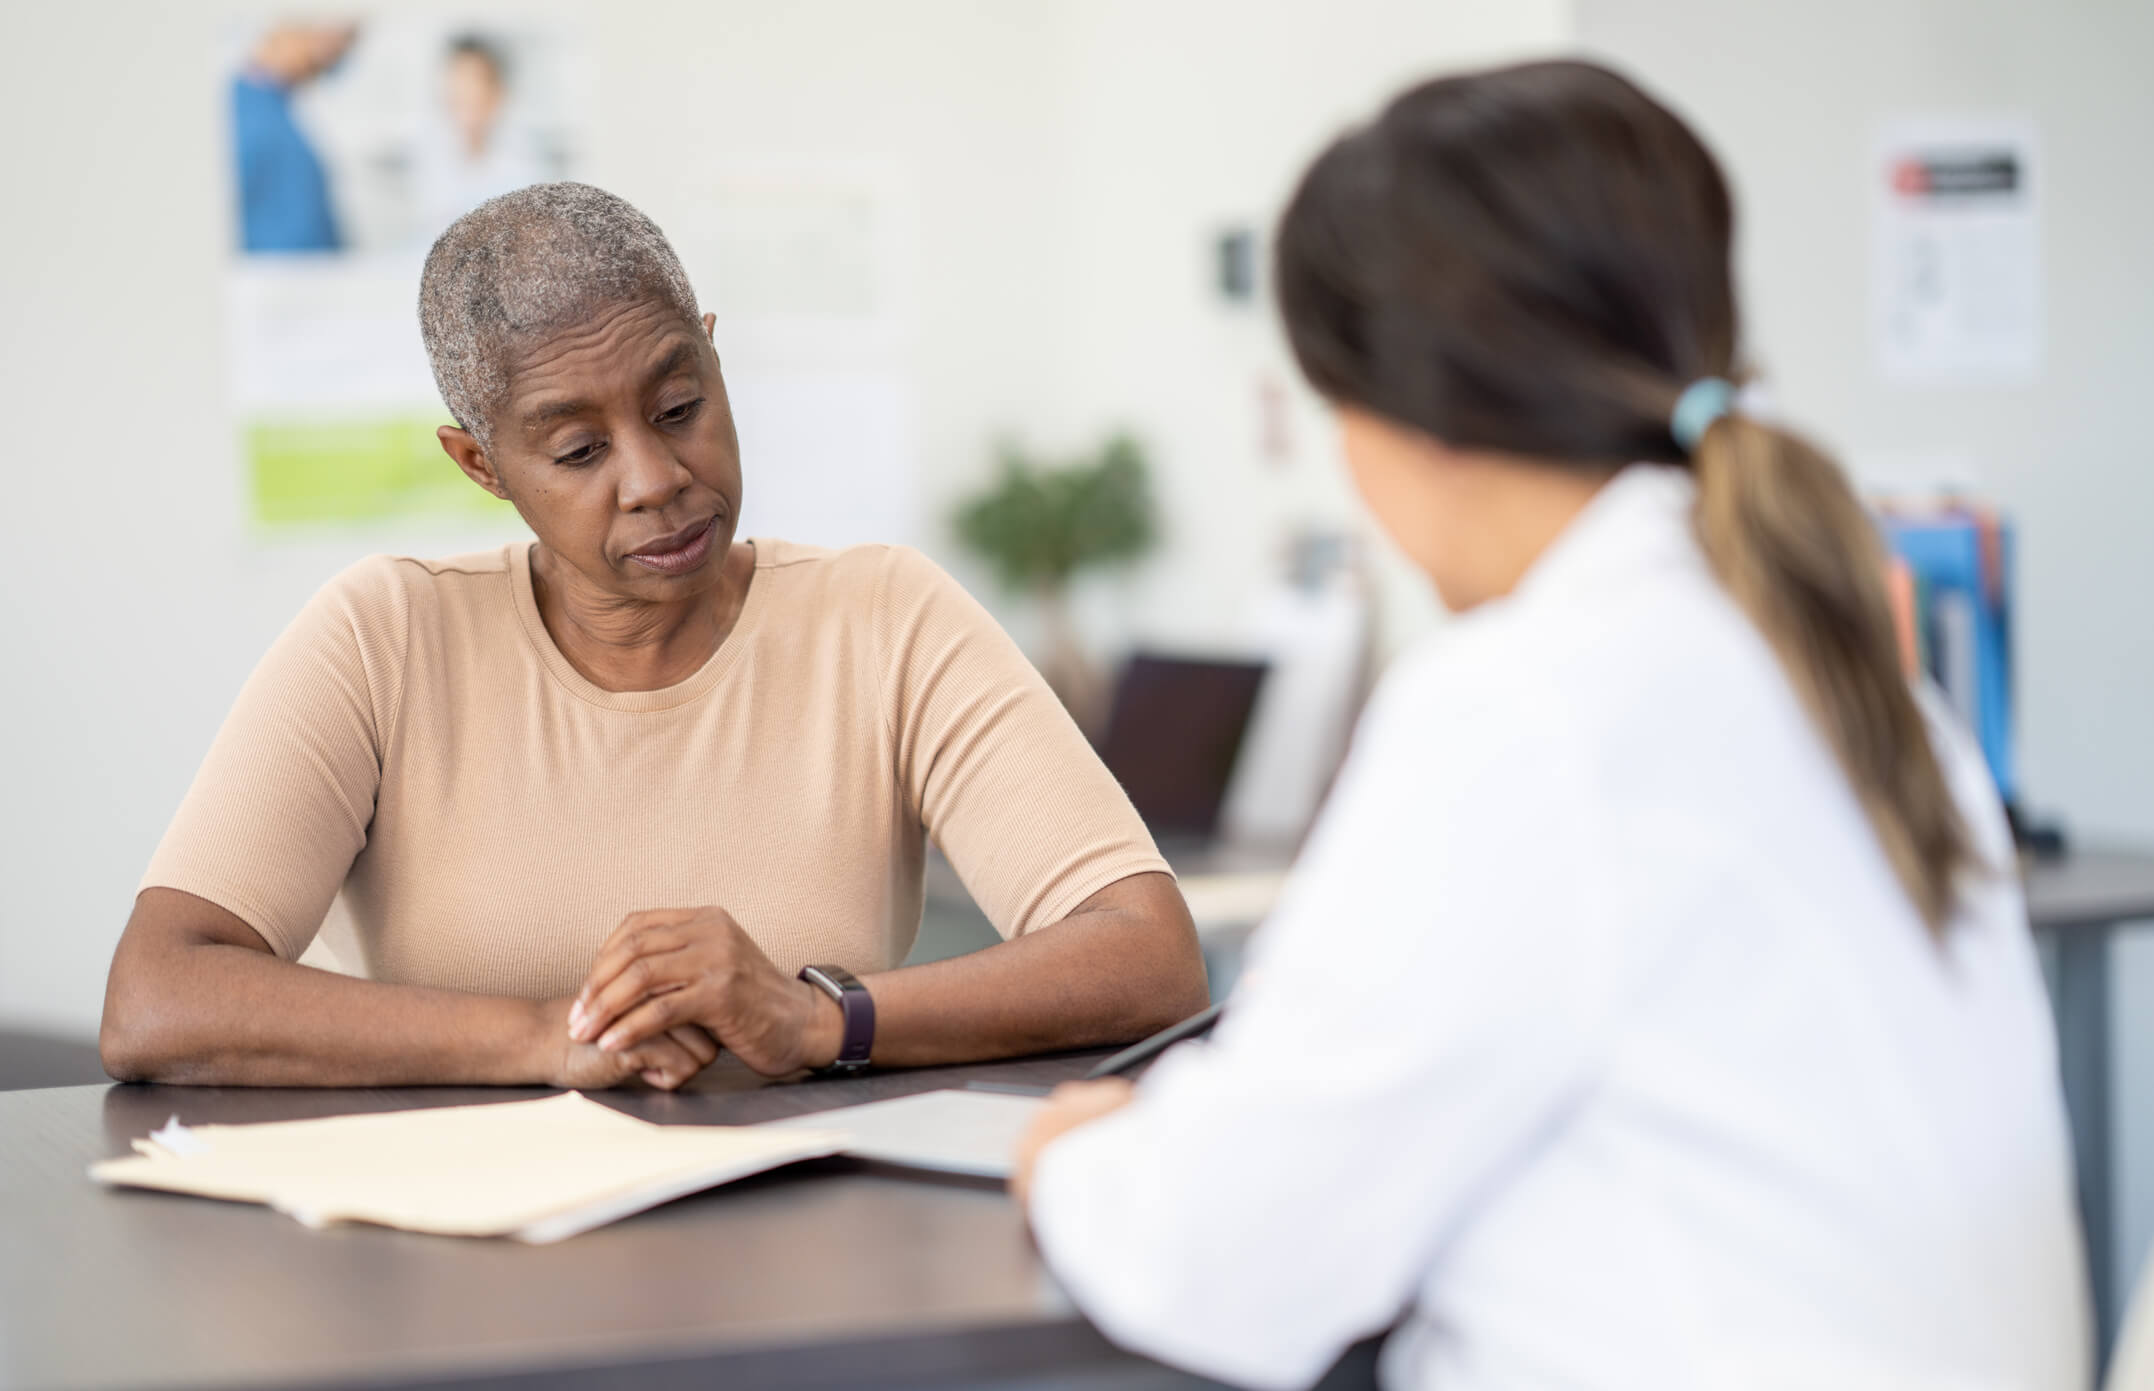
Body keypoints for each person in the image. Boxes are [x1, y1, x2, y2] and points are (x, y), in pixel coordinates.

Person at [1012, 60, 2088, 1391]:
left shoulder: (1530, 703)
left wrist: (1073, 1159)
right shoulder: (1847, 669)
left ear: (1410, 422)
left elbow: (1230, 1255)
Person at [101, 182, 1207, 1091]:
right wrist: (544, 1035)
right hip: (465, 1279)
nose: (657, 479)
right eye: (578, 452)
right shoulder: (384, 636)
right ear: (482, 465)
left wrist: (820, 1017)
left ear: (715, 361)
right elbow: (160, 995)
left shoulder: (885, 619)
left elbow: (1148, 952)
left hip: (809, 1259)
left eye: (680, 407)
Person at [231, 22, 355, 254]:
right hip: (272, 279)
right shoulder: (238, 112)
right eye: (340, 39)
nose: (334, 56)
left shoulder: (283, 110)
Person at [412, 34, 550, 241]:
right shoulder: (432, 149)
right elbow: (434, 220)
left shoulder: (523, 157)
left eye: (472, 81)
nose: (462, 90)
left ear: (497, 93)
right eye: (456, 80)